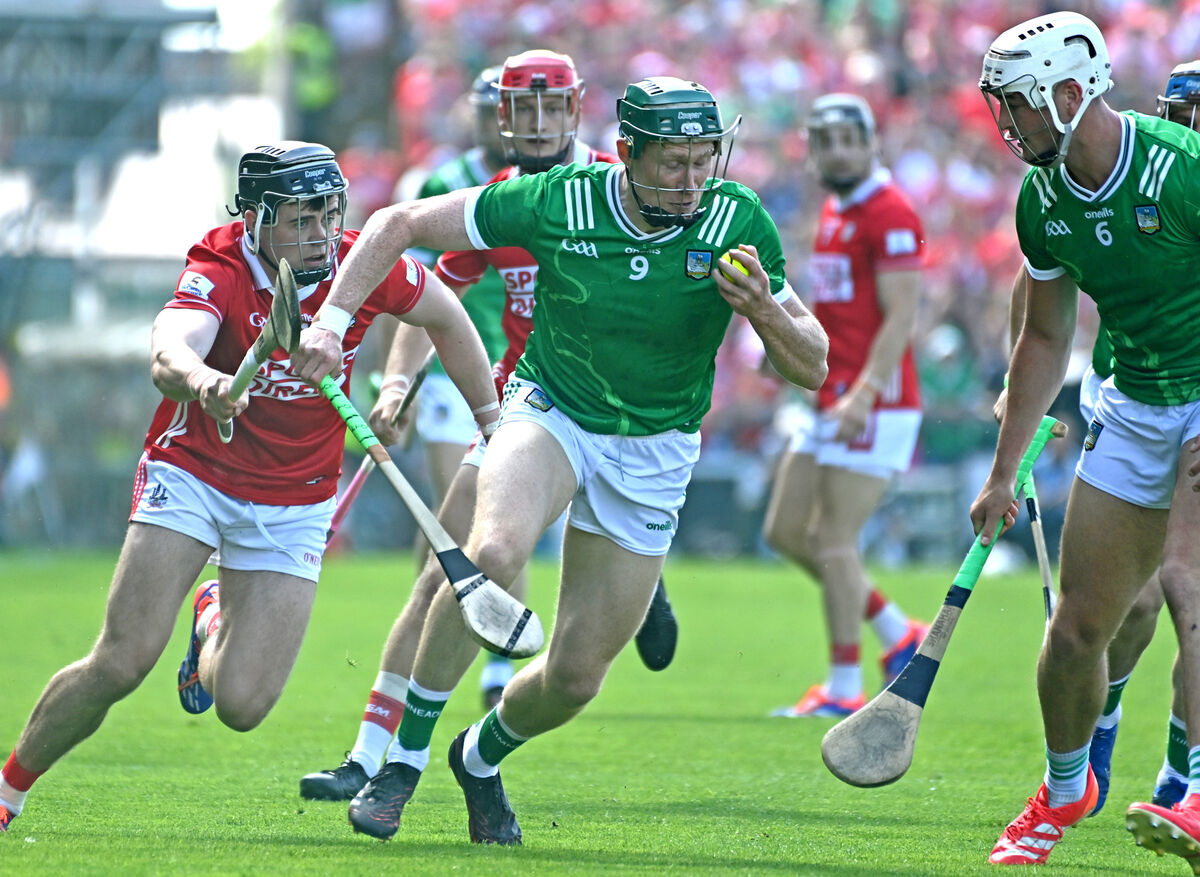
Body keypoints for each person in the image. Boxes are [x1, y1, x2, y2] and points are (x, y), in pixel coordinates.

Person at [291, 75, 828, 844]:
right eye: (672, 162)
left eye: (703, 160)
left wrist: (765, 309)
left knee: (576, 676)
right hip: (553, 409)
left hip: (656, 446)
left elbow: (812, 365)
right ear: (628, 152)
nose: (691, 180)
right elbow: (398, 222)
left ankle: (477, 757)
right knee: (495, 550)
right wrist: (332, 323)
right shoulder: (559, 198)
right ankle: (400, 762)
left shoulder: (737, 219)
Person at [0, 141, 499, 834]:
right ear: (258, 217)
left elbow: (445, 315)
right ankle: (10, 789)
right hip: (196, 472)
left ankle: (210, 613)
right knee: (122, 661)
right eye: (301, 218)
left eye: (329, 214)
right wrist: (205, 381)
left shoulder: (360, 264)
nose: (321, 234)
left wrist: (481, 418)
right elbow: (169, 347)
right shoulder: (221, 265)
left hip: (295, 499)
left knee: (242, 704)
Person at [297, 49, 680, 806]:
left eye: (551, 110)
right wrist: (400, 379)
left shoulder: (634, 187)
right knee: (454, 565)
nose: (537, 126)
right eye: (521, 110)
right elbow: (428, 296)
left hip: (633, 428)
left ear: (577, 113)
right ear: (499, 118)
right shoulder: (504, 201)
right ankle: (376, 755)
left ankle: (640, 578)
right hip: (534, 408)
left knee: (577, 665)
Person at [971, 12, 1200, 867]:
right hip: (1135, 401)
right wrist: (1002, 476)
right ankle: (1067, 788)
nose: (1008, 125)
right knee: (1077, 632)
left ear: (1071, 94)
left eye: (1018, 106)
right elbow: (1040, 339)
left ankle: (1197, 789)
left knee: (1187, 584)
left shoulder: (1180, 170)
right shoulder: (1045, 200)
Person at [762, 93, 928, 718]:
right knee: (785, 531)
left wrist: (864, 392)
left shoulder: (888, 211)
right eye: (822, 140)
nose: (834, 151)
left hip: (873, 402)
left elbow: (903, 315)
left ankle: (843, 687)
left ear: (870, 143)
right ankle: (897, 634)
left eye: (845, 139)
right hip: (827, 395)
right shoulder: (837, 207)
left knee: (832, 540)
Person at [391, 64, 516, 709]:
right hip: (446, 372)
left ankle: (494, 659)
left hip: (515, 373)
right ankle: (430, 625)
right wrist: (399, 381)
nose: (498, 121)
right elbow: (409, 293)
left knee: (485, 519)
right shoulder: (441, 183)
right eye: (487, 109)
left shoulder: (544, 187)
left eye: (507, 109)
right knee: (455, 515)